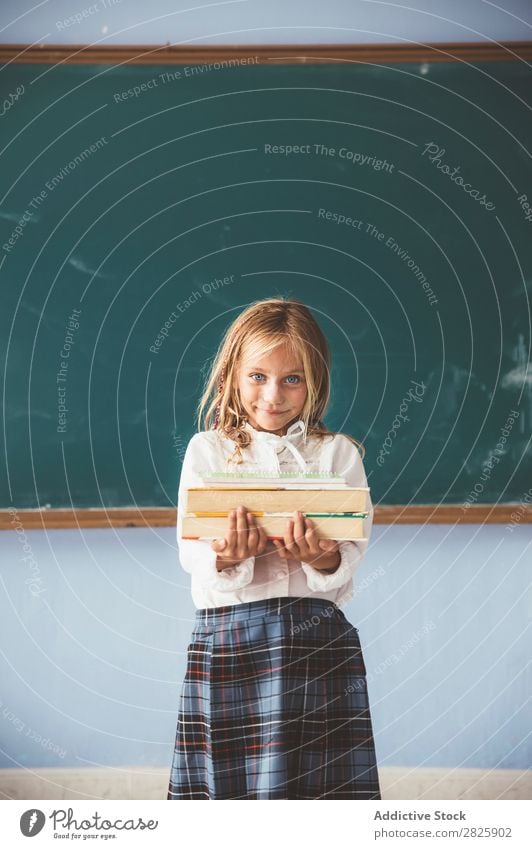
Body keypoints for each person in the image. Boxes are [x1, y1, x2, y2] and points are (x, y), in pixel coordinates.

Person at [167, 297, 380, 800]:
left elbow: (348, 555)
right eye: (257, 376)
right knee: (233, 796)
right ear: (232, 378)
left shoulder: (338, 454)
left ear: (316, 383)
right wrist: (229, 555)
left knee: (317, 792)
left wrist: (320, 558)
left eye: (293, 379)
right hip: (229, 638)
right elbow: (192, 551)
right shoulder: (208, 450)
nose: (273, 395)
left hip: (316, 640)